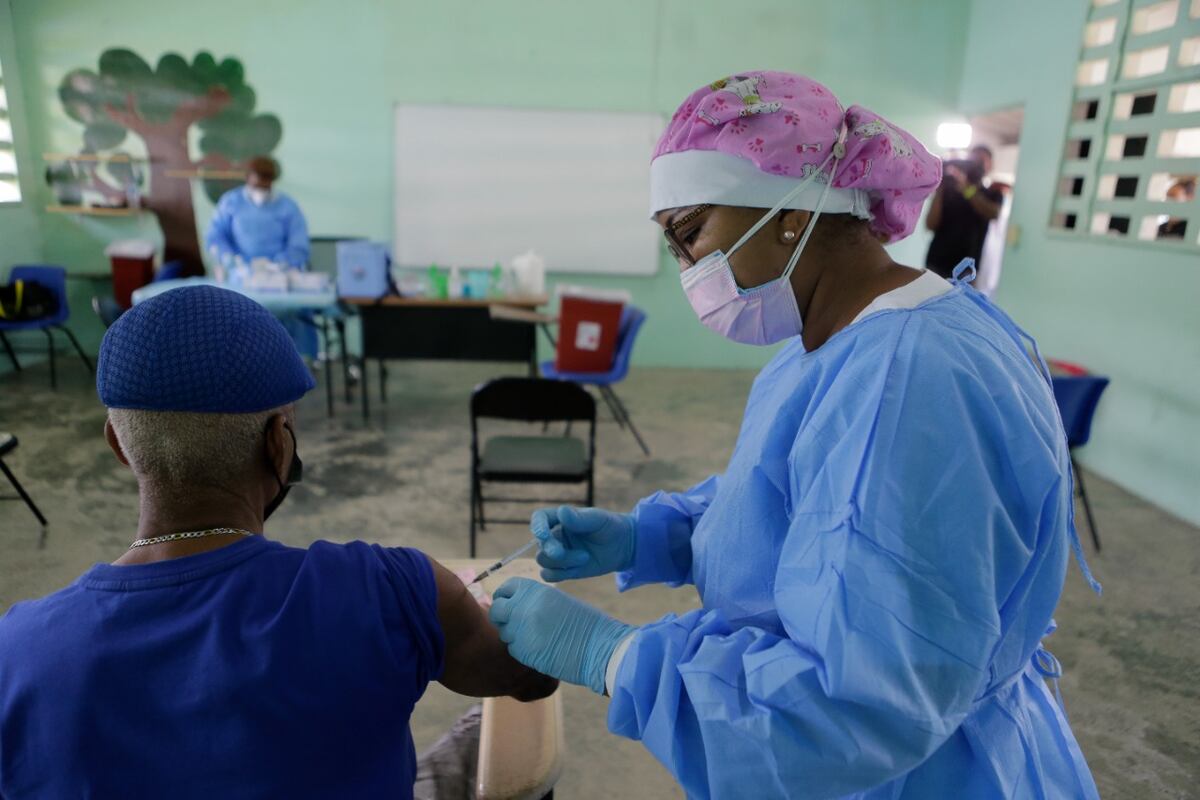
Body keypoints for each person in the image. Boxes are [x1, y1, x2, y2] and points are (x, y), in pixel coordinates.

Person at [488, 71, 1101, 799]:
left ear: (788, 210)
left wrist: (612, 657)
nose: (689, 271)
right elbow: (797, 516)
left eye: (692, 236)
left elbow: (856, 705)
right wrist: (653, 537)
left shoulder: (903, 381)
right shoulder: (828, 338)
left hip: (917, 774)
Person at [0, 285, 556, 799]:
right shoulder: (386, 590)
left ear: (118, 447)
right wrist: (487, 609)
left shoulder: (17, 654)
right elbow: (533, 675)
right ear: (279, 444)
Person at [205, 155, 310, 269]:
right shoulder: (231, 202)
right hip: (239, 274)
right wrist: (228, 258)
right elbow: (215, 236)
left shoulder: (288, 207)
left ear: (272, 182)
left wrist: (281, 264)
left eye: (265, 187)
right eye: (256, 186)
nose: (260, 193)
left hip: (278, 275)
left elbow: (298, 245)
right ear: (247, 178)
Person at [925, 144, 1003, 279]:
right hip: (936, 262)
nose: (976, 165)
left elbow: (993, 213)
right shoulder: (949, 191)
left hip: (966, 269)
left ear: (990, 165)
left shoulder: (992, 193)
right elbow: (930, 224)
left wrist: (967, 189)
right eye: (973, 160)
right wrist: (941, 188)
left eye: (981, 161)